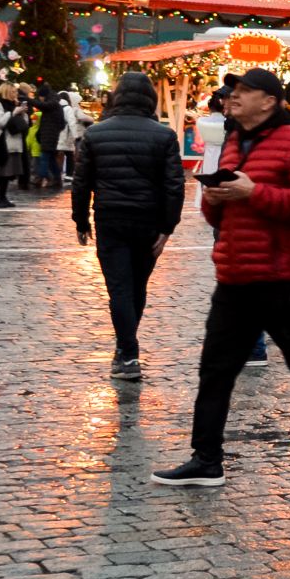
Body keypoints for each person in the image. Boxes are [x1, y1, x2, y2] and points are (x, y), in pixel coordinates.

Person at [152, 68, 290, 488]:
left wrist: (253, 193)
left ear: (269, 100)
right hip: (234, 274)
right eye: (233, 92)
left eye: (244, 91)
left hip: (282, 277)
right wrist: (215, 198)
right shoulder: (232, 141)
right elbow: (221, 215)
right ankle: (206, 458)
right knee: (215, 369)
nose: (234, 97)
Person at [71, 72, 186, 381]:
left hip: (111, 218)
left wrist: (81, 221)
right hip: (148, 221)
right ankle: (127, 349)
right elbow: (174, 186)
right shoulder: (164, 136)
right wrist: (167, 228)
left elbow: (82, 184)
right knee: (136, 286)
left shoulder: (96, 134)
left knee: (120, 287)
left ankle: (127, 353)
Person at [0, 86, 27, 206]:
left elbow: (23, 125)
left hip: (13, 142)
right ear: (7, 92)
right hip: (1, 143)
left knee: (7, 173)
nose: (15, 94)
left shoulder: (14, 104)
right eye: (13, 91)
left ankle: (3, 197)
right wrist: (13, 112)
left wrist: (22, 113)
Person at [33, 83, 65, 189]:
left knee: (44, 158)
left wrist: (30, 100)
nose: (40, 99)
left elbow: (43, 107)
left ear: (43, 96)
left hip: (50, 136)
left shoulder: (52, 104)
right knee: (50, 159)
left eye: (40, 97)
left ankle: (41, 177)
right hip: (49, 135)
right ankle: (57, 179)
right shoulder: (54, 104)